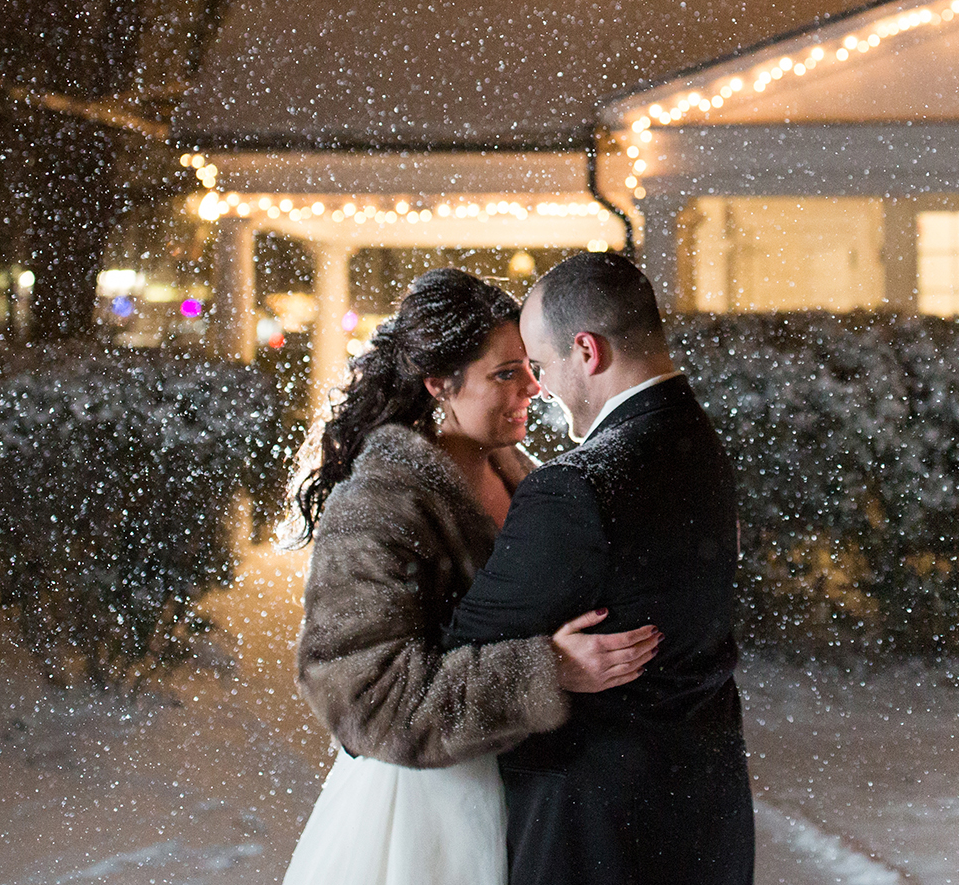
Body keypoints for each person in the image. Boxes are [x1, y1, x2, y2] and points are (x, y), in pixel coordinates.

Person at [282, 268, 661, 885]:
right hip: (426, 819)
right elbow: (362, 698)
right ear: (439, 384)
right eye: (505, 373)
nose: (534, 388)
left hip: (527, 796)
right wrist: (547, 671)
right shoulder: (382, 502)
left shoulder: (526, 475)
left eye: (531, 366)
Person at [443, 252, 754, 885]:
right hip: (704, 818)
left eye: (540, 365)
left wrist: (543, 668)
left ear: (586, 351)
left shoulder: (575, 490)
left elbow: (449, 663)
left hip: (591, 834)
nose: (539, 389)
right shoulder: (698, 443)